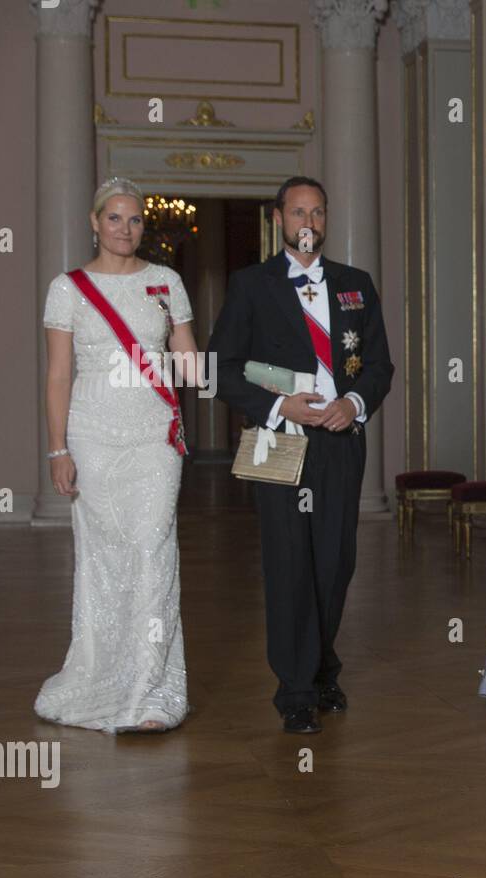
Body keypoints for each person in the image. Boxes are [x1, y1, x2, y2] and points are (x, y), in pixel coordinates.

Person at [208, 176, 394, 734]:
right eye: (297, 212)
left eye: (316, 212)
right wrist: (280, 406)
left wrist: (355, 402)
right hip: (276, 441)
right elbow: (221, 367)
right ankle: (294, 688)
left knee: (335, 563)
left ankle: (321, 665)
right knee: (289, 563)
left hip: (339, 441)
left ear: (326, 219)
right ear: (279, 220)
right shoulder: (251, 285)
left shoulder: (354, 284)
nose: (307, 221)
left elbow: (380, 365)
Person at [35, 177, 201, 734]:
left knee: (155, 549)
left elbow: (189, 366)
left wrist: (229, 366)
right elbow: (59, 375)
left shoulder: (166, 282)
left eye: (134, 220)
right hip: (92, 433)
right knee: (106, 558)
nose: (125, 229)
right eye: (115, 219)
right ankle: (101, 675)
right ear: (94, 221)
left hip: (154, 434)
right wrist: (58, 448)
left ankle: (152, 687)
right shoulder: (68, 287)